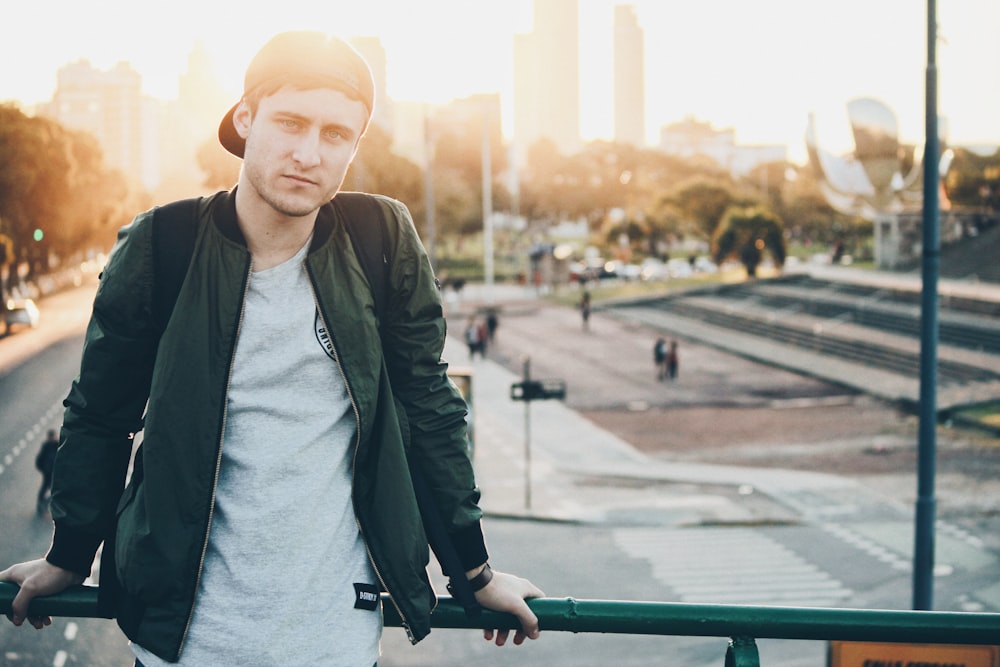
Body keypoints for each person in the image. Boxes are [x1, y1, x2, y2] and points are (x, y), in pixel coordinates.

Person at [0, 31, 542, 666]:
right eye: (290, 122)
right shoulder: (161, 246)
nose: (309, 153)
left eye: (336, 134)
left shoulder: (381, 240)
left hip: (334, 642)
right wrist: (68, 557)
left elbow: (429, 408)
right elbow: (100, 414)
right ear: (245, 118)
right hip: (183, 645)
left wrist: (475, 573)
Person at [34, 429, 59, 516]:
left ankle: (49, 506)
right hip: (48, 472)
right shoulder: (46, 446)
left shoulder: (58, 445)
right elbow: (39, 460)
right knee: (46, 489)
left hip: (56, 473)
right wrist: (44, 469)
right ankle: (41, 506)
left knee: (54, 490)